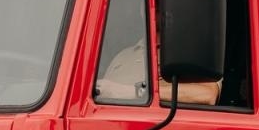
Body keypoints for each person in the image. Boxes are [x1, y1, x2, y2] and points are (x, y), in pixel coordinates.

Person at [94, 35, 223, 106]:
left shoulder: (191, 54)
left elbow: (208, 95)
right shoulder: (122, 55)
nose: (155, 0)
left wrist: (136, 92)